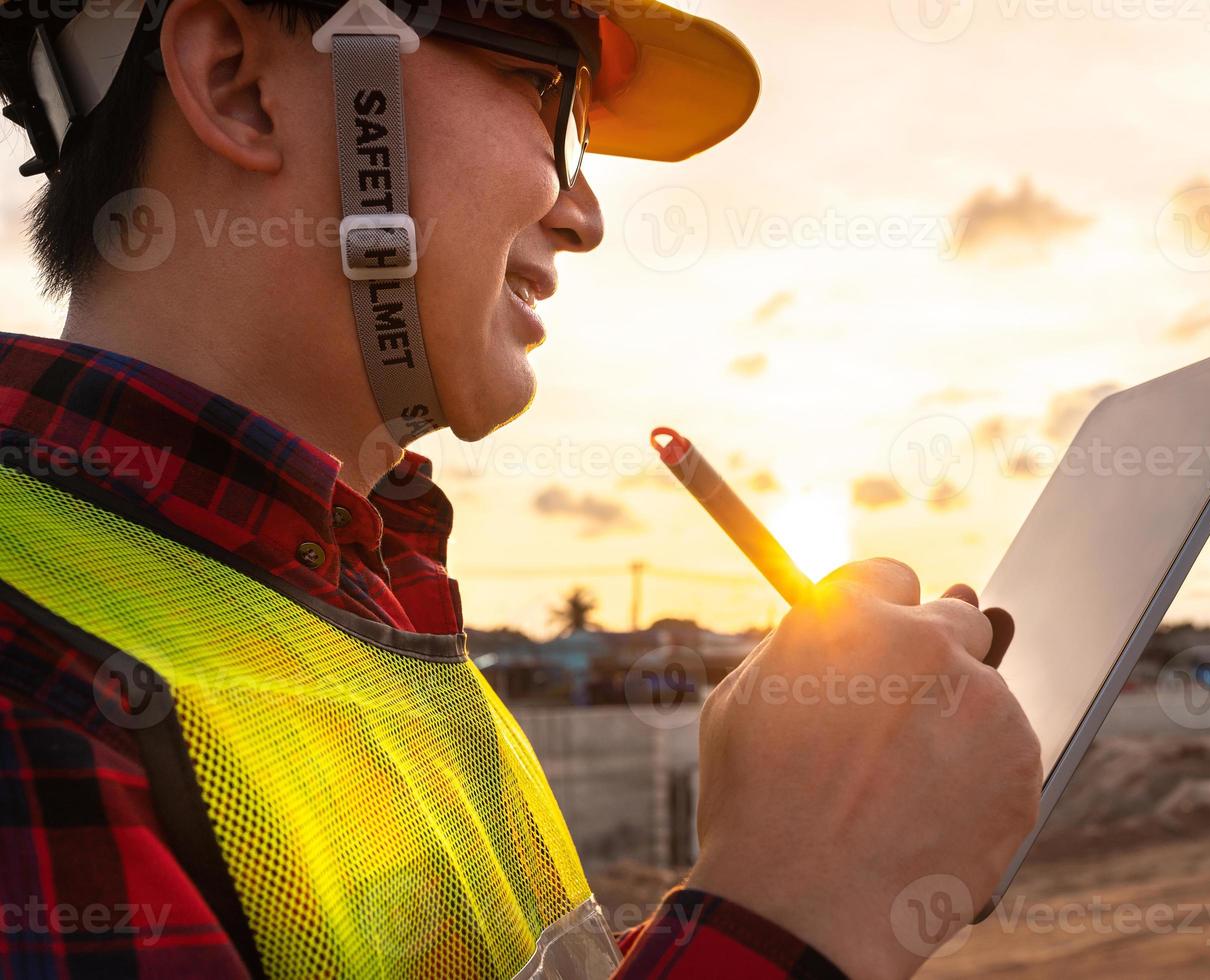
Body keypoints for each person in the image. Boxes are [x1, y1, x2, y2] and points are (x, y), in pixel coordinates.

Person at [0, 0, 1043, 976]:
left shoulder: (370, 611)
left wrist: (805, 858)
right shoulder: (31, 684)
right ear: (239, 86)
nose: (583, 215)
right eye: (546, 93)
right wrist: (788, 913)